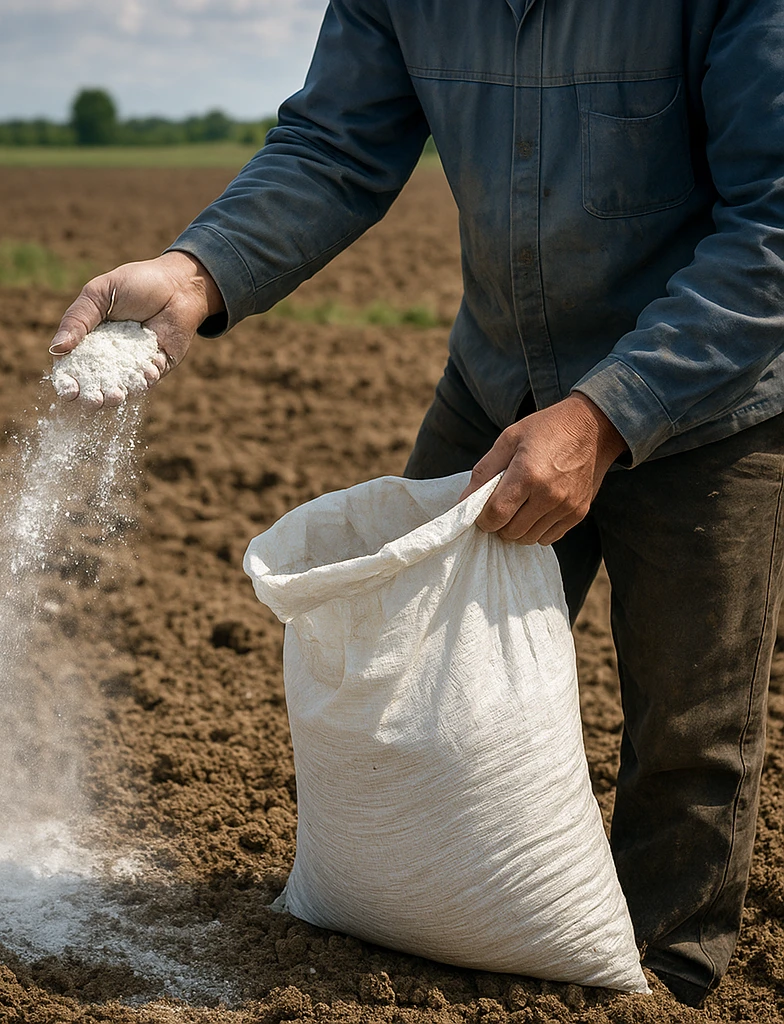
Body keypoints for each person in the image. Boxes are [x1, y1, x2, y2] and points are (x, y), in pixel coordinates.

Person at [48, 0, 784, 1006]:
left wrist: (606, 416)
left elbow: (775, 221)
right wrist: (197, 269)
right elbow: (332, 145)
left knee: (688, 735)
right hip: (500, 384)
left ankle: (656, 980)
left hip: (706, 399)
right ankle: (418, 932)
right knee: (412, 675)